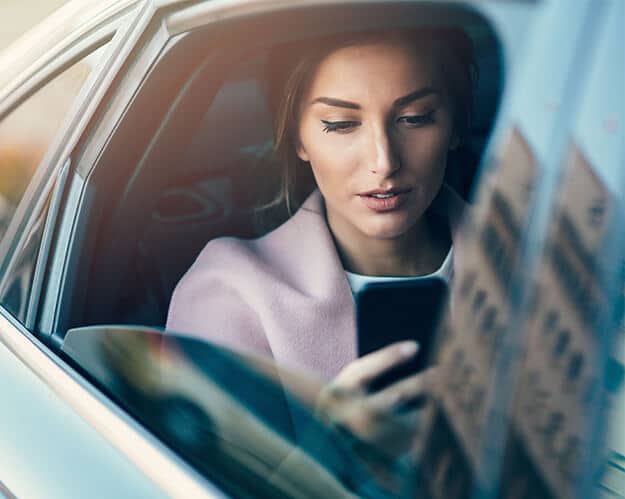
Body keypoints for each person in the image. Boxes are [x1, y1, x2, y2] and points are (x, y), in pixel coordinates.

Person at [167, 27, 476, 457]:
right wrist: (324, 460)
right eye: (342, 124)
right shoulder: (230, 294)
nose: (383, 161)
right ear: (297, 138)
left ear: (456, 125)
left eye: (415, 117)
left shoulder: (533, 264)